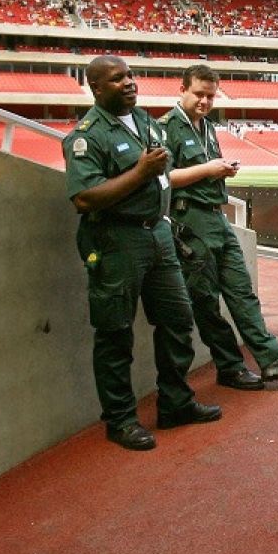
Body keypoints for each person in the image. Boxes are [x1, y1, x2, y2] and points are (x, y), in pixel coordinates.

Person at [62, 56, 221, 451]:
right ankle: (120, 420)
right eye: (117, 80)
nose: (129, 83)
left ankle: (175, 403)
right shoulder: (87, 135)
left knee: (178, 320)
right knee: (115, 333)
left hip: (158, 234)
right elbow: (84, 198)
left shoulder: (148, 121)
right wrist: (140, 173)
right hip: (117, 241)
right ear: (96, 89)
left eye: (130, 75)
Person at [160, 65, 278, 389]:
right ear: (182, 89)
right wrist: (208, 170)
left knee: (242, 293)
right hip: (190, 221)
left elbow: (204, 170)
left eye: (210, 96)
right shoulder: (165, 128)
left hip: (216, 216)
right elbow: (163, 178)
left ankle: (271, 359)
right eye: (198, 94)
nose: (204, 102)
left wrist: (221, 170)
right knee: (206, 302)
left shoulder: (208, 127)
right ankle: (230, 367)